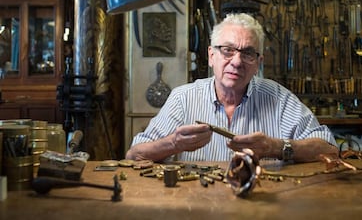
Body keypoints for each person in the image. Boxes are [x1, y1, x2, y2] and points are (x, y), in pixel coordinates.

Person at [126, 13, 338, 162]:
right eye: (227, 50)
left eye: (247, 53)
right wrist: (174, 144)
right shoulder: (183, 98)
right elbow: (134, 155)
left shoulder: (279, 98)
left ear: (258, 63)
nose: (236, 62)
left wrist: (275, 148)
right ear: (211, 56)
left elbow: (329, 150)